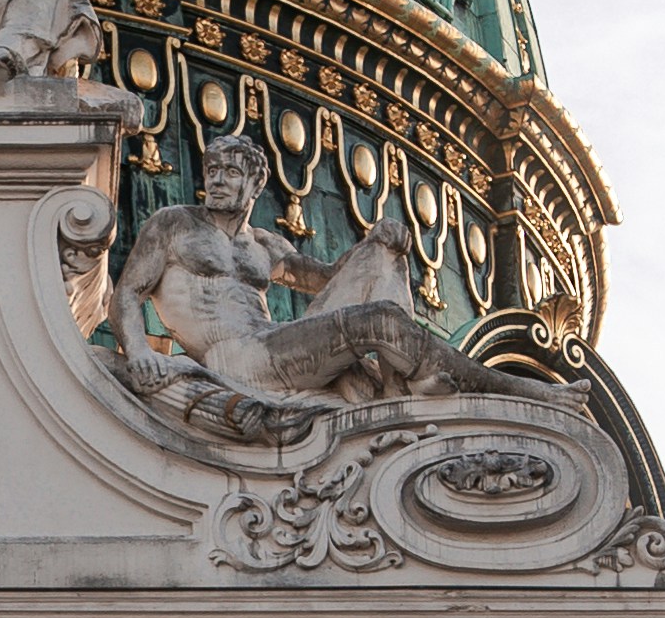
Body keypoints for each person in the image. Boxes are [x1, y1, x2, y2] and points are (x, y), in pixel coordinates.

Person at [107, 134, 513, 428]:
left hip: (274, 343)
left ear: (254, 185)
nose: (216, 181)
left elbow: (333, 278)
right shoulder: (174, 223)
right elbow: (128, 291)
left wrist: (377, 239)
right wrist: (139, 350)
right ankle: (511, 392)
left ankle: (397, 384)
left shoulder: (265, 244)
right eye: (212, 171)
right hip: (235, 358)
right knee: (380, 319)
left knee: (381, 254)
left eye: (230, 172)